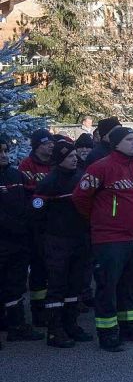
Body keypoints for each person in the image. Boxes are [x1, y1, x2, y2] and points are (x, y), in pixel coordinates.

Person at [72, 126, 133, 351]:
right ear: (116, 143)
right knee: (108, 287)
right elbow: (81, 197)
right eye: (129, 139)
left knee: (131, 285)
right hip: (110, 238)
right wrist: (101, 218)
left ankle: (131, 326)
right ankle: (108, 333)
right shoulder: (100, 167)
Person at [35, 141, 91, 348]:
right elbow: (37, 213)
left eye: (75, 155)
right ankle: (55, 330)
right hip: (58, 241)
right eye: (69, 157)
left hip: (80, 238)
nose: (74, 159)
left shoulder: (81, 177)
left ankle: (71, 324)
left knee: (75, 284)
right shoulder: (49, 182)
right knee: (57, 285)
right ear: (59, 160)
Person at [1, 138, 46, 345]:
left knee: (16, 283)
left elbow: (27, 200)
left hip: (19, 240)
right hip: (4, 238)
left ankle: (16, 325)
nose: (3, 155)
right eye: (0, 152)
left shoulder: (15, 174)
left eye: (5, 151)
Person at [19, 129, 56, 328]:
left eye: (51, 142)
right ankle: (38, 310)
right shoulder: (27, 165)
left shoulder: (55, 163)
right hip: (36, 226)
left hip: (55, 224)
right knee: (39, 268)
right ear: (36, 146)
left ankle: (54, 307)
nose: (50, 145)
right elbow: (29, 194)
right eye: (45, 143)